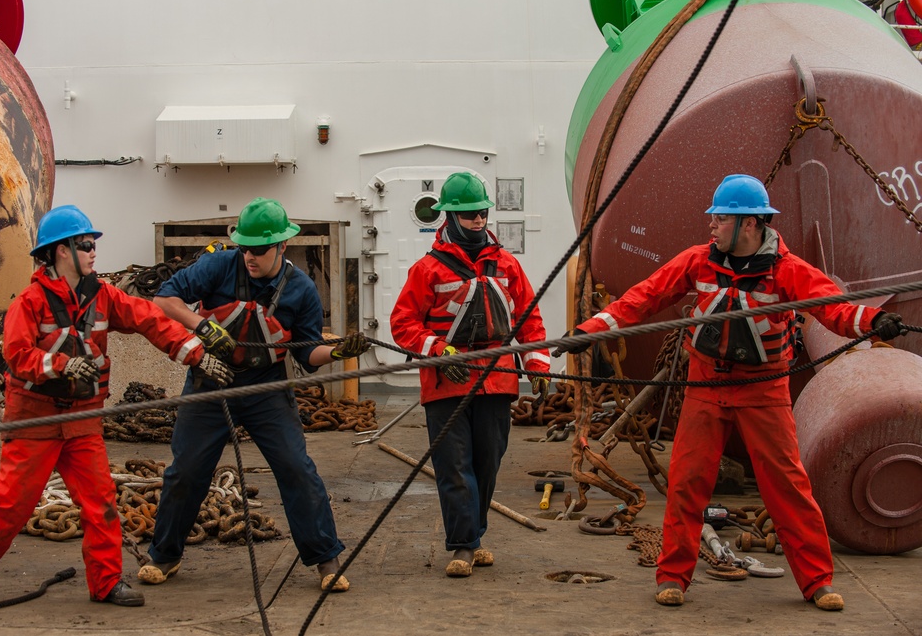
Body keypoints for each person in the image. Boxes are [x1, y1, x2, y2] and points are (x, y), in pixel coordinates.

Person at [554, 174, 906, 611]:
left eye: (721, 218)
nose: (712, 226)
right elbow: (644, 298)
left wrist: (872, 322)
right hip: (705, 387)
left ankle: (817, 581)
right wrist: (588, 331)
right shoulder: (698, 262)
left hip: (763, 393)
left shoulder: (788, 271)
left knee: (788, 487)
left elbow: (832, 307)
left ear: (750, 224)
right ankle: (673, 577)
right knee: (686, 483)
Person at [0, 205, 232, 608]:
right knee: (13, 501)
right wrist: (63, 364)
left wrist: (195, 353)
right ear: (60, 251)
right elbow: (16, 356)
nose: (93, 251)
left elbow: (149, 319)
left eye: (93, 244)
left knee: (100, 502)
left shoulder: (102, 297)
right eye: (86, 244)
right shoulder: (29, 304)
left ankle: (105, 583)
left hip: (83, 420)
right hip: (36, 420)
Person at [139, 197, 368, 592]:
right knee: (186, 471)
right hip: (210, 384)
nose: (250, 256)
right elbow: (164, 299)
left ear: (282, 246)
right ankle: (165, 556)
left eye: (259, 250)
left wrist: (338, 351)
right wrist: (202, 326)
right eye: (245, 247)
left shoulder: (302, 290)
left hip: (267, 390)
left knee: (297, 469)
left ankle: (326, 560)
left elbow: (307, 355)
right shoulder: (218, 265)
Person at [389, 172, 552, 578]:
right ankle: (462, 546)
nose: (478, 220)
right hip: (446, 382)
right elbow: (403, 323)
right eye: (469, 215)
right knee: (454, 465)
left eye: (481, 213)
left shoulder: (507, 265)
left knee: (487, 463)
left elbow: (528, 319)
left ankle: (473, 536)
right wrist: (438, 351)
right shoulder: (427, 269)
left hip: (496, 379)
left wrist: (538, 365)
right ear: (450, 217)